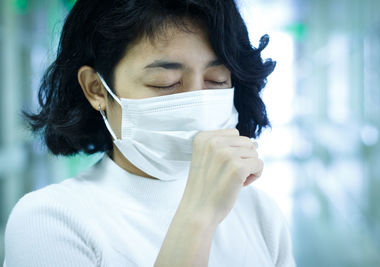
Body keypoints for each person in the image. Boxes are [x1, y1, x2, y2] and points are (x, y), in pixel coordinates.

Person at [3, 0, 296, 266]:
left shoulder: (261, 213)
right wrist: (198, 218)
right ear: (96, 89)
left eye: (216, 80)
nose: (196, 102)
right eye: (165, 83)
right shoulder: (49, 220)